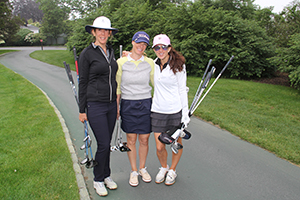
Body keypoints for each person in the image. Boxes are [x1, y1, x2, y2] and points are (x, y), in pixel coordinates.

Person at [78, 16, 118, 197]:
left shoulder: (110, 51)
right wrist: (81, 109)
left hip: (110, 105)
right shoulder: (86, 54)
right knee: (102, 144)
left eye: (106, 31)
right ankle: (98, 180)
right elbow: (83, 82)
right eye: (99, 30)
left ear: (109, 33)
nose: (103, 33)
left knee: (106, 144)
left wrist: (116, 104)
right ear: (93, 32)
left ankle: (106, 175)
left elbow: (113, 75)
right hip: (95, 106)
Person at [151, 34, 190, 186]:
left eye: (163, 47)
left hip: (175, 111)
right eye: (157, 47)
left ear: (169, 48)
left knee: (175, 144)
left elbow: (182, 90)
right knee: (160, 146)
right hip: (157, 110)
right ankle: (164, 167)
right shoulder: (152, 64)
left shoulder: (179, 65)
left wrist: (184, 115)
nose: (160, 50)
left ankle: (172, 169)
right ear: (154, 49)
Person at [116, 31, 154, 187]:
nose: (141, 46)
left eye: (144, 44)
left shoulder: (150, 62)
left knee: (144, 139)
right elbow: (118, 87)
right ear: (132, 42)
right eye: (139, 43)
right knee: (131, 140)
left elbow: (156, 85)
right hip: (128, 104)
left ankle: (142, 168)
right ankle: (133, 171)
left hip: (145, 103)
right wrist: (117, 107)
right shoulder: (121, 62)